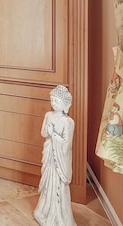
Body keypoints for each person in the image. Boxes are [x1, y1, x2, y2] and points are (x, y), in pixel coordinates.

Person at [34, 85, 76, 226]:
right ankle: (44, 211)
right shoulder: (48, 115)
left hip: (59, 159)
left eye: (56, 101)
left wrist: (53, 134)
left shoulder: (68, 122)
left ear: (64, 104)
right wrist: (48, 131)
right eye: (51, 100)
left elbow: (66, 145)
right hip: (49, 154)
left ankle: (58, 216)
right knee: (47, 182)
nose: (53, 103)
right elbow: (43, 133)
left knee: (57, 184)